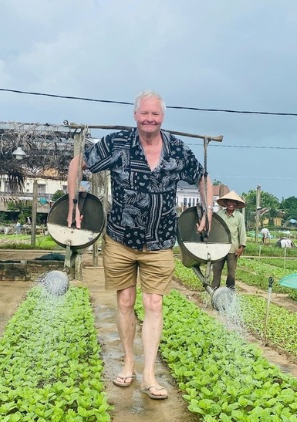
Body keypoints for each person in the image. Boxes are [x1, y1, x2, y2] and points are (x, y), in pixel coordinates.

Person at [67, 90, 212, 401]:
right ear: (135, 116)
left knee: (154, 304)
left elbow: (202, 177)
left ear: (162, 117)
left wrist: (207, 210)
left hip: (160, 241)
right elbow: (78, 163)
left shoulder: (176, 149)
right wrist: (73, 202)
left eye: (155, 114)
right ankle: (128, 363)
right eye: (145, 114)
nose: (150, 119)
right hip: (120, 238)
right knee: (124, 302)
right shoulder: (118, 144)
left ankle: (149, 374)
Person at [211, 191, 247, 290]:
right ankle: (214, 289)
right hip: (220, 247)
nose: (231, 204)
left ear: (236, 204)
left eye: (234, 202)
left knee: (231, 271)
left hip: (233, 248)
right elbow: (214, 229)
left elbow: (242, 231)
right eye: (229, 202)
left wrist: (241, 247)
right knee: (216, 269)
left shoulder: (239, 216)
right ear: (226, 203)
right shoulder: (220, 214)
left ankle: (230, 290)